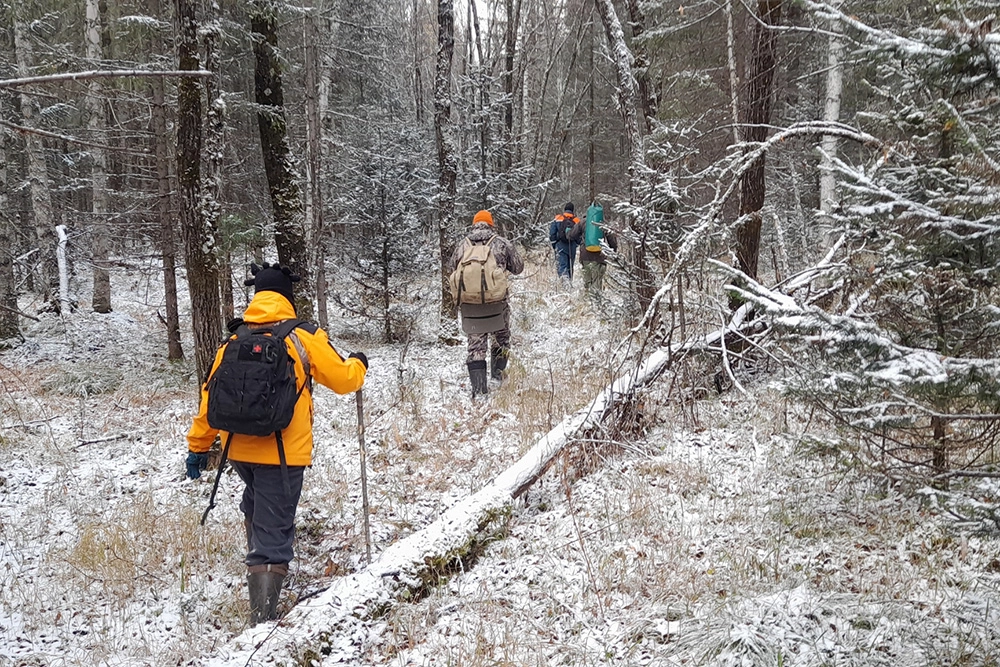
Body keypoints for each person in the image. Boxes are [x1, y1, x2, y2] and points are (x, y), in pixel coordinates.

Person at [184, 262, 368, 625]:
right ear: (287, 296)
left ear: (257, 298)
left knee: (256, 501)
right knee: (274, 526)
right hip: (283, 453)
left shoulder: (233, 340)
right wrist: (359, 363)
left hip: (237, 450)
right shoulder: (302, 336)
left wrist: (198, 446)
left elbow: (209, 401)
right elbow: (345, 380)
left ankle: (260, 561)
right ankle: (262, 622)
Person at [448, 210, 524, 396]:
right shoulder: (501, 243)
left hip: (470, 305)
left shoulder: (462, 245)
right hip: (497, 303)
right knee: (501, 339)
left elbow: (451, 267)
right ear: (492, 224)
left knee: (475, 347)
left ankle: (480, 391)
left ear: (474, 224)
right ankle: (497, 377)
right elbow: (519, 267)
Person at [568, 203, 618, 296]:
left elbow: (572, 235)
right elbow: (612, 240)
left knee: (587, 282)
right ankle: (596, 306)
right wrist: (613, 250)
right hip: (599, 256)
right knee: (597, 283)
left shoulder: (582, 222)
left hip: (585, 256)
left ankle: (588, 304)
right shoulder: (603, 222)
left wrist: (568, 232)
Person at [549, 202, 580, 285]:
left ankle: (564, 285)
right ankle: (569, 283)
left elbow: (552, 233)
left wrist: (554, 244)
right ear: (573, 210)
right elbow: (579, 235)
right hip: (572, 246)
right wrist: (576, 244)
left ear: (565, 209)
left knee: (562, 266)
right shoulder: (576, 220)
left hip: (560, 245)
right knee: (570, 266)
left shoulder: (558, 218)